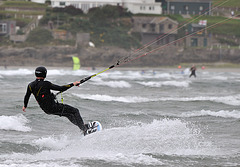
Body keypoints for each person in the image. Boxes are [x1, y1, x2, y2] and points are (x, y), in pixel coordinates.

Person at [23, 66, 93, 136]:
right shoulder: (46, 84)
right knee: (75, 111)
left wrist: (25, 106)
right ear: (45, 74)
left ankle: (82, 126)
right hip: (54, 107)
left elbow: (27, 96)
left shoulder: (30, 85)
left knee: (69, 115)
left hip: (46, 110)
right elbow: (61, 88)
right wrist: (73, 84)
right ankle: (84, 129)